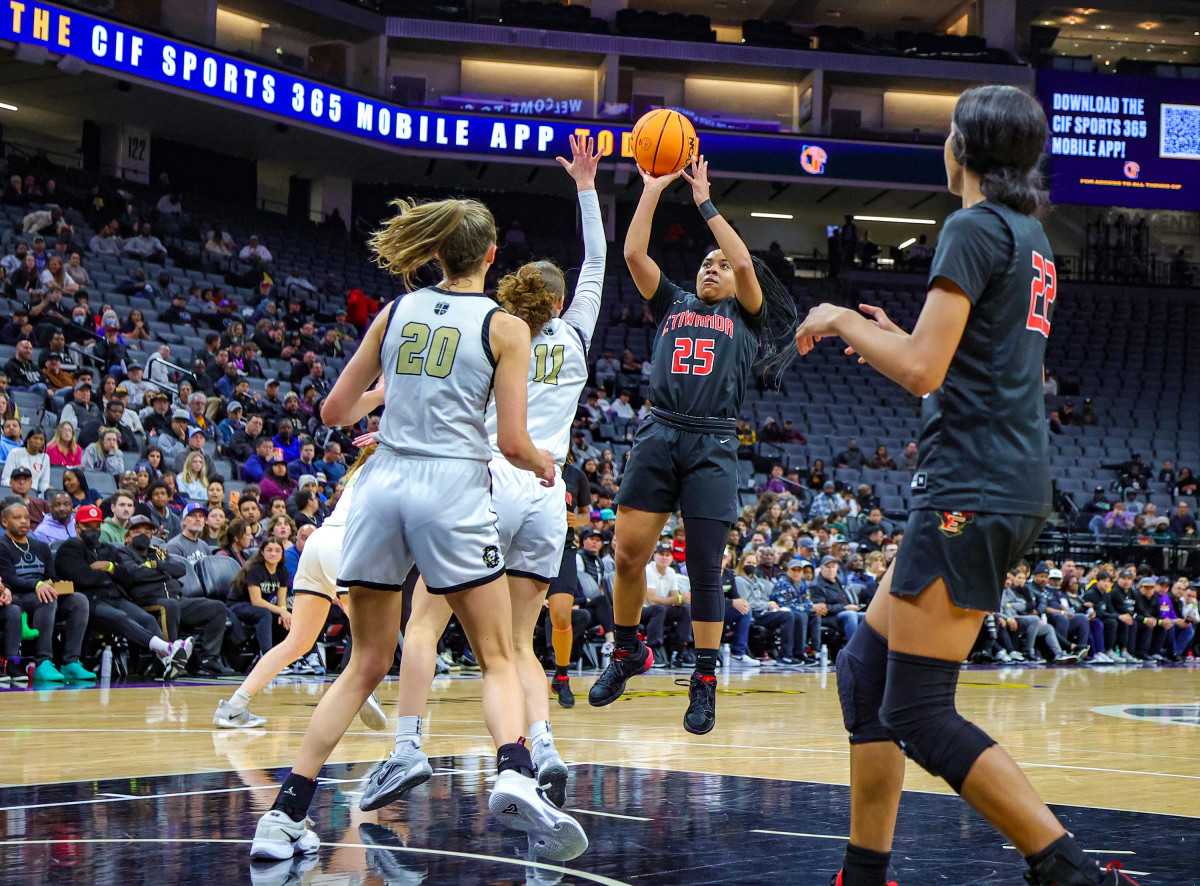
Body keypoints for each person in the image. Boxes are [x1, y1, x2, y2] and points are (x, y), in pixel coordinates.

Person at [793, 86, 1136, 886]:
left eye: (948, 132)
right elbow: (950, 365)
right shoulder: (1029, 236)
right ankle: (863, 874)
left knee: (916, 710)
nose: (942, 144)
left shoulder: (972, 227)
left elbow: (923, 368)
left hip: (970, 485)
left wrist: (841, 318)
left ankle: (1067, 871)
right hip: (999, 476)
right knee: (865, 675)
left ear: (965, 150)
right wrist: (887, 333)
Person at [249, 190, 584, 864]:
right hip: (451, 487)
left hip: (382, 487)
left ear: (434, 251)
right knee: (497, 652)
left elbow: (334, 411)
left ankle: (283, 816)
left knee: (365, 661)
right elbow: (514, 441)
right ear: (491, 256)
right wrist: (544, 465)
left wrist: (384, 398)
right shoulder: (505, 327)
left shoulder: (396, 310)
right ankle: (514, 770)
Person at [360, 134, 606, 813]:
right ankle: (542, 744)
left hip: (494, 477)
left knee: (426, 620)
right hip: (548, 494)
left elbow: (495, 425)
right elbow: (598, 264)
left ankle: (408, 745)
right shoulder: (576, 333)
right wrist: (588, 188)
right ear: (559, 301)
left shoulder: (498, 330)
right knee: (514, 641)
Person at [589, 153, 798, 735]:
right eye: (704, 264)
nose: (711, 269)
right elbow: (633, 254)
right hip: (659, 431)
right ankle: (626, 651)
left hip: (712, 442)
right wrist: (653, 188)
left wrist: (705, 201)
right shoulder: (674, 302)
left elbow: (739, 259)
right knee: (627, 554)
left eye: (720, 266)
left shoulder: (747, 315)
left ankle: (704, 680)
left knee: (705, 567)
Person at [214, 446, 385, 728]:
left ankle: (234, 706)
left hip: (318, 542)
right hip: (345, 544)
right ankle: (363, 687)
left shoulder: (361, 471)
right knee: (373, 631)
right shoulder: (395, 469)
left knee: (298, 642)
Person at [55, 504, 192, 679]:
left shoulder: (106, 549)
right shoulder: (69, 548)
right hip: (90, 602)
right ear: (77, 527)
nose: (94, 530)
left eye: (97, 526)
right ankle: (168, 649)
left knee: (147, 619)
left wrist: (110, 567)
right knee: (121, 619)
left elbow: (128, 577)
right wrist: (110, 574)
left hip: (115, 597)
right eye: (89, 526)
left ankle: (166, 662)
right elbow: (83, 577)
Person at [0, 500, 93, 682]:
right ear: (4, 522)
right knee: (47, 597)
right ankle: (43, 661)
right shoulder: (2, 546)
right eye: (17, 518)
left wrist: (58, 585)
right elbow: (9, 578)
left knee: (79, 600)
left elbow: (51, 575)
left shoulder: (40, 546)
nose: (24, 521)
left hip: (43, 592)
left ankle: (70, 661)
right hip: (18, 597)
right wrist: (37, 585)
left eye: (27, 517)